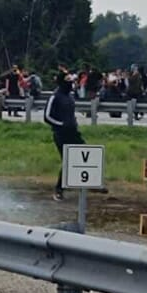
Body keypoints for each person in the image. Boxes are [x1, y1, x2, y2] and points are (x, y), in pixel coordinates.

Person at [45, 72, 84, 201]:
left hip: (73, 132)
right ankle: (59, 190)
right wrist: (62, 124)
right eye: (68, 80)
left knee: (85, 154)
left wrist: (73, 122)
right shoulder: (55, 97)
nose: (71, 82)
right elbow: (47, 117)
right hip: (61, 134)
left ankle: (86, 181)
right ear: (62, 82)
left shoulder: (70, 96)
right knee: (68, 160)